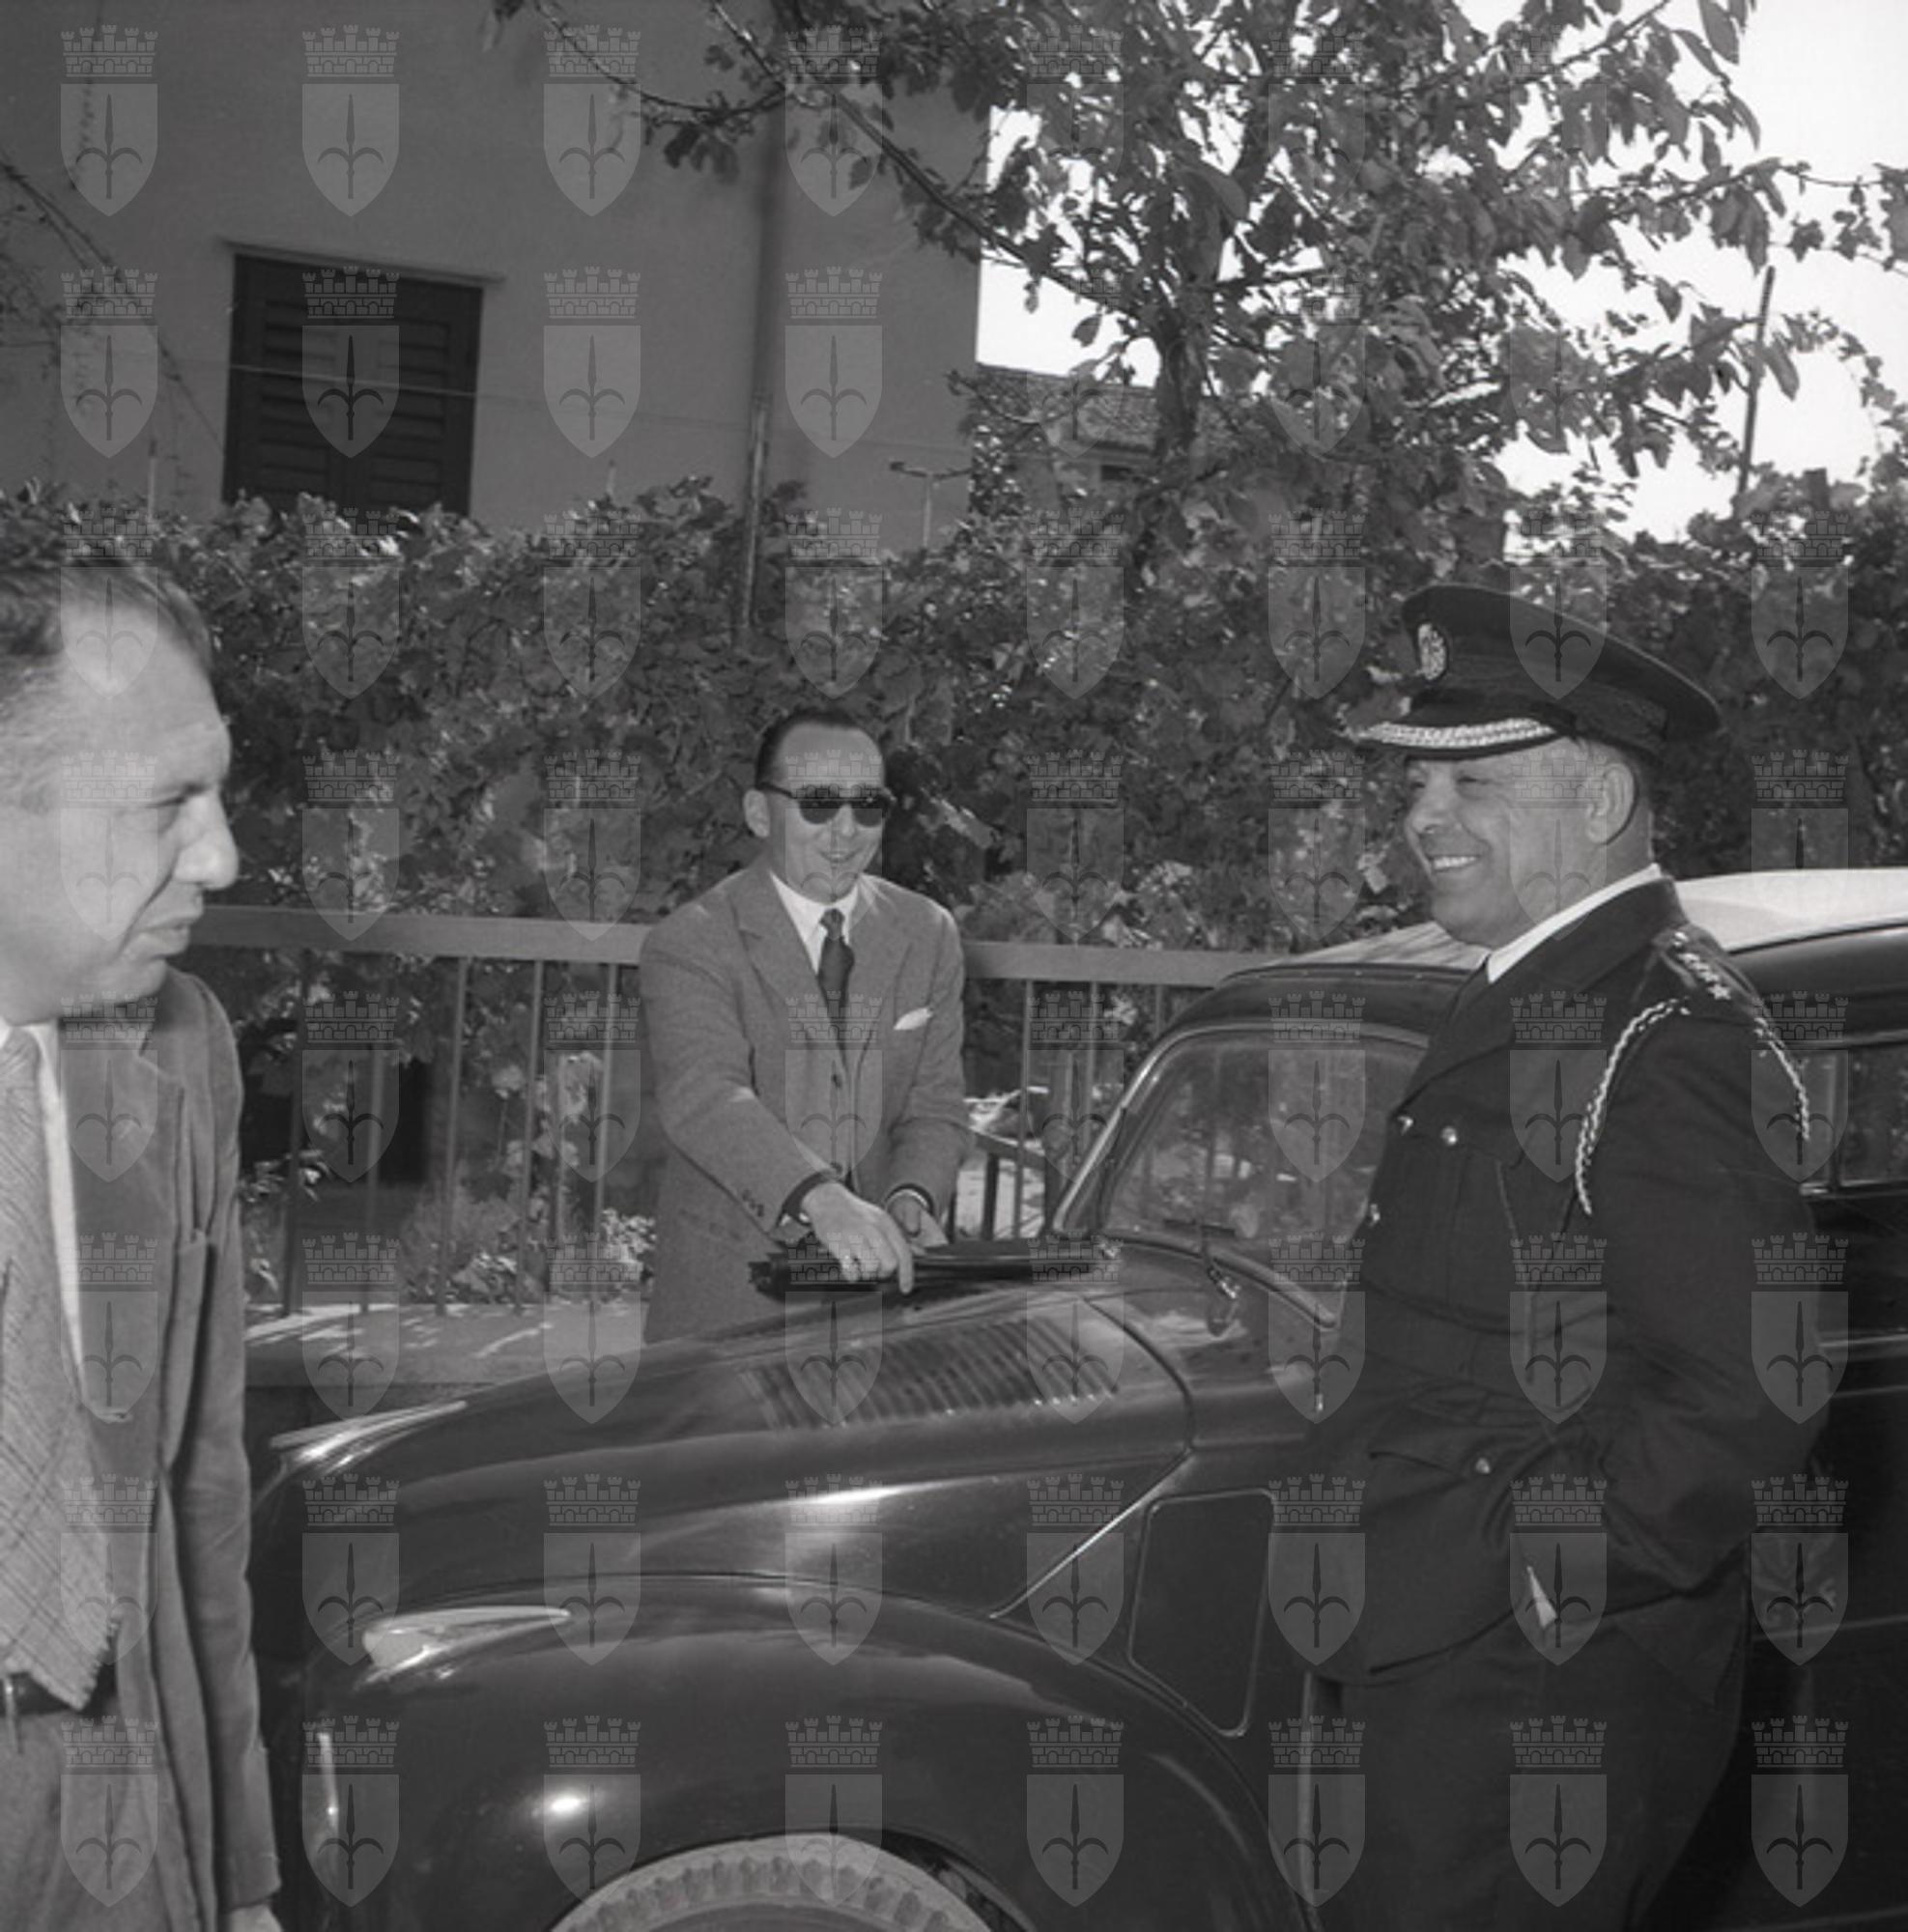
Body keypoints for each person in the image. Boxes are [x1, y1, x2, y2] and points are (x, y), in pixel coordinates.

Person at [1306, 582, 1822, 1928]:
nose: (1424, 819)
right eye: (1416, 785)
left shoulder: (1666, 1030)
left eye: (1473, 783)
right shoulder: (1537, 987)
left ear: (1598, 800)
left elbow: (1750, 1386)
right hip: (1435, 1638)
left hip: (1534, 1685)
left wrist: (1536, 1571)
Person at [0, 561, 279, 1926]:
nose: (220, 857)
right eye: (169, 803)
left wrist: (236, 1878)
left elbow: (197, 1494)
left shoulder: (177, 1049)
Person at [641, 707, 970, 1338]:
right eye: (818, 804)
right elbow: (707, 1097)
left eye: (868, 807)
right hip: (732, 1305)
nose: (845, 830)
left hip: (876, 1314)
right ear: (759, 813)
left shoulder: (928, 933)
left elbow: (935, 1107)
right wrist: (820, 1199)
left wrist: (911, 1198)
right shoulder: (690, 941)